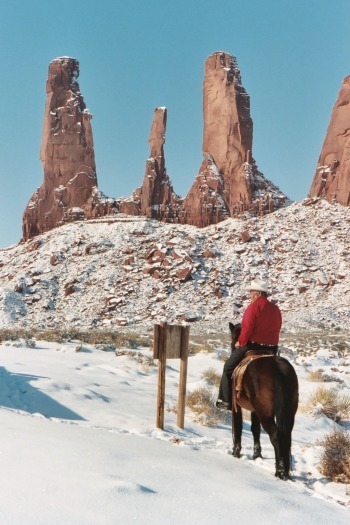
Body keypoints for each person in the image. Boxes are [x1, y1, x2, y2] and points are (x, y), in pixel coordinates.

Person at [216, 279, 282, 410]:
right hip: (272, 349)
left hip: (253, 346)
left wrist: (240, 342)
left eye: (251, 292)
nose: (250, 295)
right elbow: (278, 327)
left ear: (258, 293)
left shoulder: (253, 307)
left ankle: (225, 400)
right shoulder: (276, 309)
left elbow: (246, 328)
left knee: (228, 367)